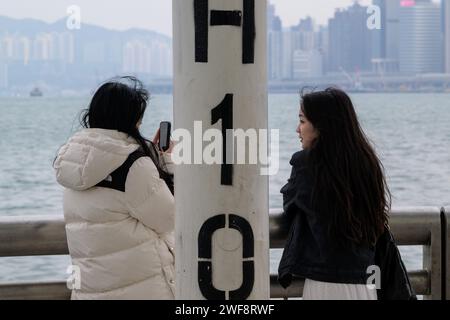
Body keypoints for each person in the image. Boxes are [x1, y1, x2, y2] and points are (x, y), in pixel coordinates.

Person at [53, 77, 175, 300]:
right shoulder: (133, 164)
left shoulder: (73, 161)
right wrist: (167, 163)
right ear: (130, 119)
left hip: (89, 290)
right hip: (141, 289)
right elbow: (169, 218)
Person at [278, 88, 391, 300]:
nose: (297, 129)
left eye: (302, 121)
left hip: (327, 281)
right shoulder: (366, 163)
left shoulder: (306, 163)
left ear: (321, 127)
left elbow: (290, 203)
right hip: (365, 281)